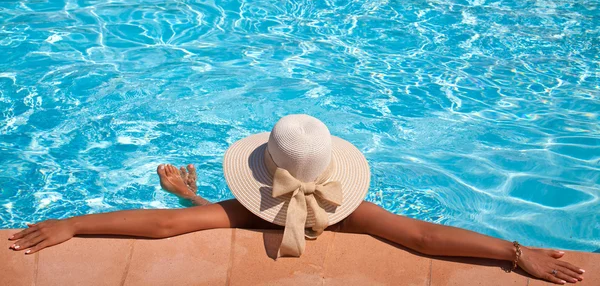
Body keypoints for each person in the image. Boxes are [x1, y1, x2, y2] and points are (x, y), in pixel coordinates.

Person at [8, 115, 585, 284]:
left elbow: (164, 231)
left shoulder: (242, 209)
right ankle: (189, 193)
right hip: (312, 210)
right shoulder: (352, 211)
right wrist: (515, 254)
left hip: (234, 214)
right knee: (212, 219)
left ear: (264, 171)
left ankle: (187, 193)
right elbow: (425, 237)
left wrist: (77, 224)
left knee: (210, 220)